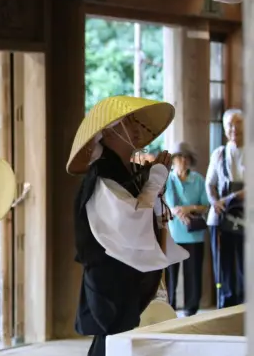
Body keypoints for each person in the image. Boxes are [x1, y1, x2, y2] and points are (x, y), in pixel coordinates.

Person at [67, 95, 189, 356]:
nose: (137, 127)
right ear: (110, 131)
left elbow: (147, 214)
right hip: (110, 279)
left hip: (127, 277)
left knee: (123, 341)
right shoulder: (103, 173)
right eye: (129, 122)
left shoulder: (129, 170)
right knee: (114, 341)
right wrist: (153, 183)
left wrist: (153, 183)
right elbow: (130, 222)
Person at [163, 142, 210, 317]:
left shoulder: (198, 179)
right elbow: (167, 204)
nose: (183, 160)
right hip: (174, 234)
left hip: (194, 235)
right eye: (179, 157)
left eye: (186, 157)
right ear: (173, 160)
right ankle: (170, 308)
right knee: (171, 275)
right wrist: (178, 211)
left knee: (193, 273)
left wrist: (188, 208)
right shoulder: (168, 179)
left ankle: (191, 309)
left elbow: (205, 205)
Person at [206, 108, 246, 308]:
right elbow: (210, 184)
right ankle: (226, 307)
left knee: (246, 266)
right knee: (224, 266)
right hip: (221, 217)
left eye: (238, 123)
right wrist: (215, 201)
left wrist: (233, 197)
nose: (234, 128)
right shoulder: (219, 153)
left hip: (246, 215)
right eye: (230, 124)